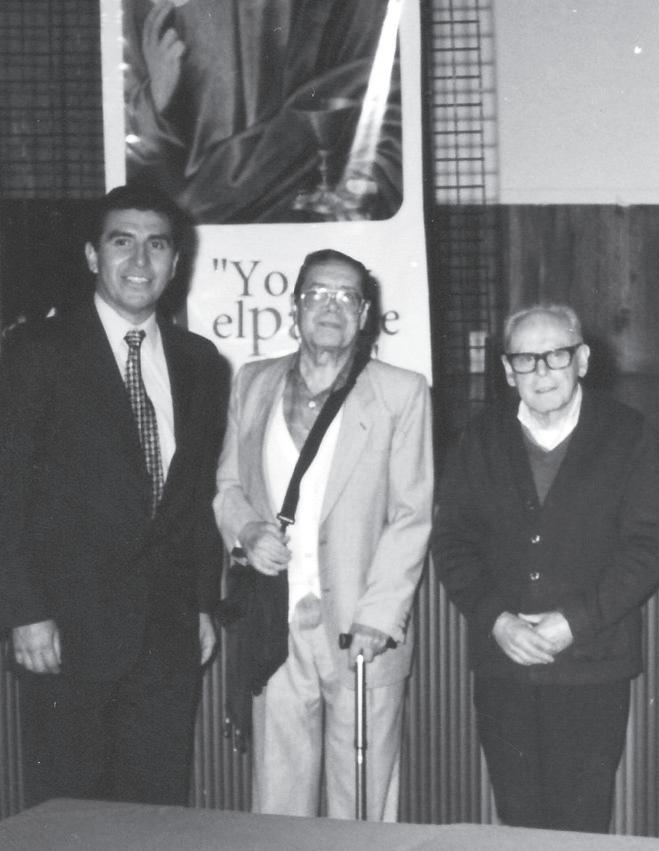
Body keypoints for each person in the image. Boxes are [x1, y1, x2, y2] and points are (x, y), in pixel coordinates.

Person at [0, 183, 229, 806]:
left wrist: (201, 605)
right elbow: (7, 491)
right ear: (91, 255)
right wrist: (23, 611)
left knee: (157, 814)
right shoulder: (33, 353)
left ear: (175, 262)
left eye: (158, 245)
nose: (140, 260)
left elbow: (196, 498)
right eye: (122, 242)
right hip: (64, 633)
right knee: (69, 816)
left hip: (166, 636)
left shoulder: (201, 363)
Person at [431, 303, 659, 832]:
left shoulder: (628, 433)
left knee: (581, 824)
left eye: (555, 356)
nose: (541, 371)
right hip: (504, 665)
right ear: (506, 369)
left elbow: (649, 548)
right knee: (517, 819)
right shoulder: (480, 437)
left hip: (592, 664)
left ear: (582, 359)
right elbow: (452, 543)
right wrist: (497, 620)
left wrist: (574, 623)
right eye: (526, 359)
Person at [213, 248, 431, 820]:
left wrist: (379, 616)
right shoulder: (253, 382)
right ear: (295, 307)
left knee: (362, 799)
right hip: (274, 623)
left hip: (362, 627)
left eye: (345, 297)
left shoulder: (401, 393)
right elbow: (227, 486)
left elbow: (411, 513)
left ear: (364, 314)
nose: (330, 307)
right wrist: (246, 531)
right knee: (278, 794)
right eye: (316, 294)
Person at [123, 0, 403, 223]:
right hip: (200, 220)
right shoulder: (145, 12)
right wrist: (154, 100)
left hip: (301, 212)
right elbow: (132, 156)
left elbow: (381, 96)